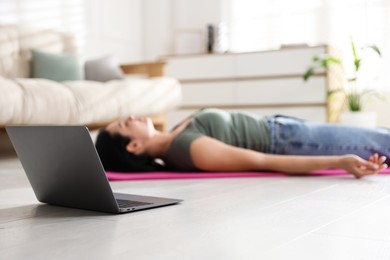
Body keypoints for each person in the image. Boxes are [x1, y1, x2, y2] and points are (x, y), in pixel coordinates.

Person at [95, 108, 389, 178]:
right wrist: (340, 161)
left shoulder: (175, 136)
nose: (131, 116)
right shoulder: (187, 148)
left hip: (286, 128)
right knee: (385, 141)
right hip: (290, 141)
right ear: (133, 147)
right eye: (124, 124)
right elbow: (262, 162)